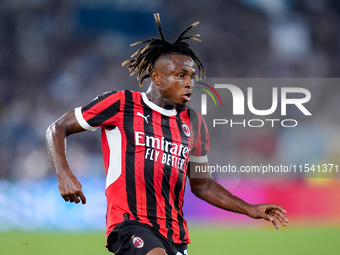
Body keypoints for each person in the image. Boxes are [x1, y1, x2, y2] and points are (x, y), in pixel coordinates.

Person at [46, 13, 288, 255]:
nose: (189, 83)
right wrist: (64, 172)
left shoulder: (194, 122)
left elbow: (202, 184)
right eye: (181, 75)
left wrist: (249, 208)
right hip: (129, 224)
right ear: (157, 78)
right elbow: (57, 128)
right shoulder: (120, 104)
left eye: (192, 77)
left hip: (173, 233)